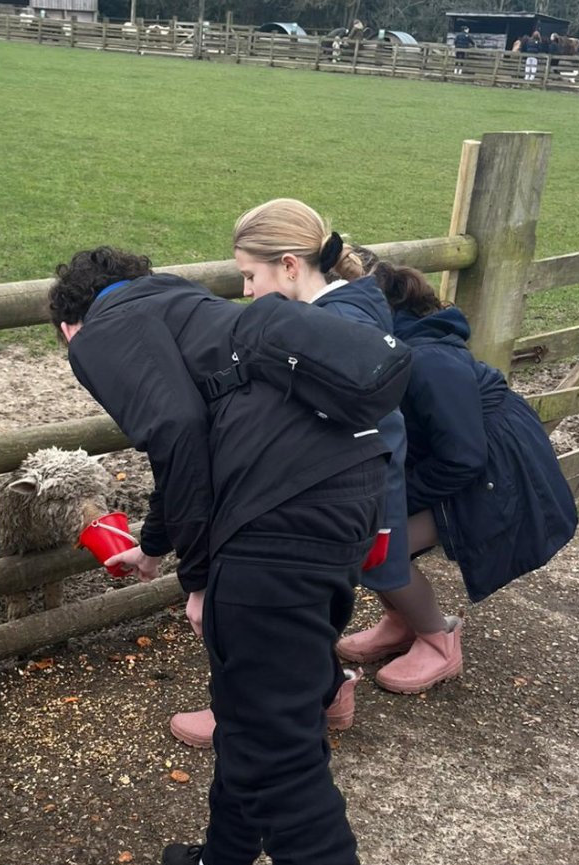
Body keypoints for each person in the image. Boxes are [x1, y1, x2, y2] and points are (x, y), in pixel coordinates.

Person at [49, 246, 416, 865]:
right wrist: (162, 543)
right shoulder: (183, 305)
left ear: (70, 320)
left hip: (276, 515)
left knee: (284, 758)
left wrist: (202, 576)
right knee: (263, 707)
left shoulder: (97, 332)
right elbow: (210, 428)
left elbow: (175, 430)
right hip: (343, 487)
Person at [170, 198, 410, 748]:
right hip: (348, 506)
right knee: (305, 616)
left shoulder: (327, 331)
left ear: (289, 264)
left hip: (325, 506)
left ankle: (244, 712)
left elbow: (374, 428)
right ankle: (328, 692)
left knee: (280, 613)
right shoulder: (340, 317)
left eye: (250, 276)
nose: (247, 292)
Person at [336, 258, 578, 692]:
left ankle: (438, 638)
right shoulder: (395, 344)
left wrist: (394, 499)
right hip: (456, 458)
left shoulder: (429, 360)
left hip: (491, 469)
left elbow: (464, 457)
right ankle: (402, 622)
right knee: (370, 532)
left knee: (377, 542)